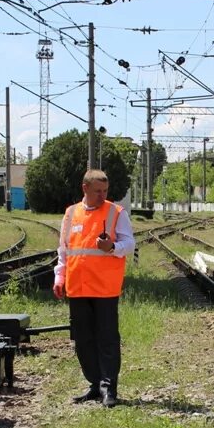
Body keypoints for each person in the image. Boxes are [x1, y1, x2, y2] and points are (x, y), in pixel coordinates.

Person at [53, 169, 135, 408]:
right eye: (98, 191)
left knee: (107, 339)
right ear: (85, 189)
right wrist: (60, 277)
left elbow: (129, 244)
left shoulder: (116, 213)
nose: (102, 195)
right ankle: (94, 384)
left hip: (105, 289)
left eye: (105, 191)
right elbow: (64, 251)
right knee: (84, 340)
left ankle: (109, 389)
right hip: (78, 288)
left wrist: (112, 246)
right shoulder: (71, 214)